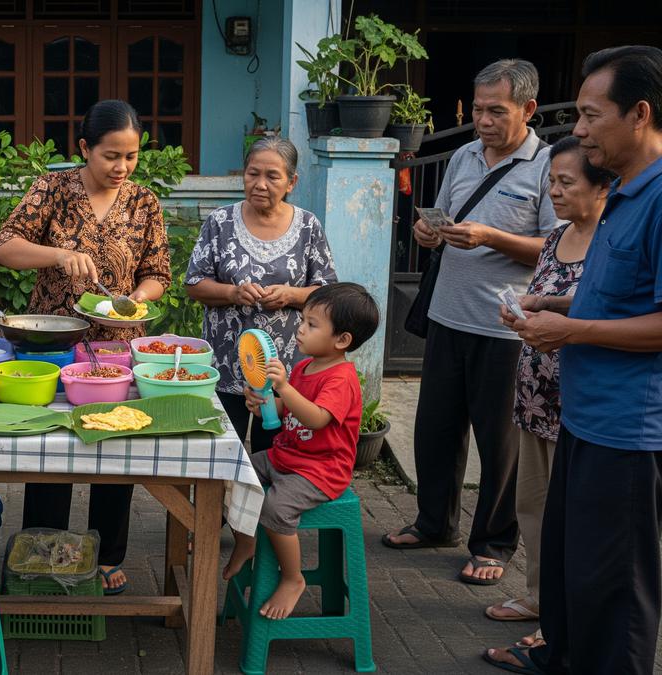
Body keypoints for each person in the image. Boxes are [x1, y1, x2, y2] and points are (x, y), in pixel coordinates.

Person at [486, 45, 662, 675]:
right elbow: (619, 295)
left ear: (639, 113)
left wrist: (572, 329)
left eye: (591, 115)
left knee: (618, 585)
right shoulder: (623, 195)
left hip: (629, 431)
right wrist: (552, 302)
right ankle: (558, 657)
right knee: (571, 566)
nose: (579, 130)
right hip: (582, 419)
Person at [383, 59, 559, 587]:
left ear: (528, 109)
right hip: (447, 316)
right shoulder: (462, 155)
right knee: (436, 430)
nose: (483, 120)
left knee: (500, 445)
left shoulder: (548, 166)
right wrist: (428, 233)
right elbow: (442, 219)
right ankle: (434, 524)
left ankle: (494, 544)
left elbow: (557, 249)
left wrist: (492, 237)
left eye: (496, 111)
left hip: (507, 329)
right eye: (478, 109)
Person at [0, 99, 171, 593]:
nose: (122, 167)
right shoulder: (52, 189)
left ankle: (108, 553)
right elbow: (4, 247)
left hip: (116, 351)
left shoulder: (144, 202)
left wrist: (138, 299)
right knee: (51, 447)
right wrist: (58, 255)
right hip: (52, 344)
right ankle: (40, 550)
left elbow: (157, 273)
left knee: (114, 447)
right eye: (111, 155)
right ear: (85, 148)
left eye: (131, 156)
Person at [480, 137, 612, 649]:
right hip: (535, 392)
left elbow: (606, 312)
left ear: (601, 187)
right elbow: (547, 300)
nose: (554, 191)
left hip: (579, 400)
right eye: (551, 181)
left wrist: (550, 311)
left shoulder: (612, 241)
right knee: (532, 504)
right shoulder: (556, 237)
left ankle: (561, 620)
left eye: (566, 182)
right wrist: (524, 309)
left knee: (570, 516)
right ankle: (539, 597)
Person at [220, 282, 379, 619]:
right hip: (287, 456)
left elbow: (317, 418)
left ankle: (293, 578)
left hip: (320, 470)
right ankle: (246, 541)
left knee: (276, 508)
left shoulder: (341, 379)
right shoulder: (307, 366)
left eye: (311, 324)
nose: (301, 329)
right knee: (232, 471)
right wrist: (264, 403)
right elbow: (288, 410)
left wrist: (284, 387)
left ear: (342, 340)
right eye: (303, 320)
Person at [185, 137, 338, 455]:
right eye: (253, 173)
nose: (260, 184)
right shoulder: (220, 222)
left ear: (291, 182)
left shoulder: (308, 226)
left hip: (285, 370)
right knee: (220, 450)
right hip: (226, 364)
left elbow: (327, 292)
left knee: (276, 453)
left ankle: (267, 491)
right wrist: (232, 292)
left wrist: (291, 294)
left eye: (272, 176)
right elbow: (194, 283)